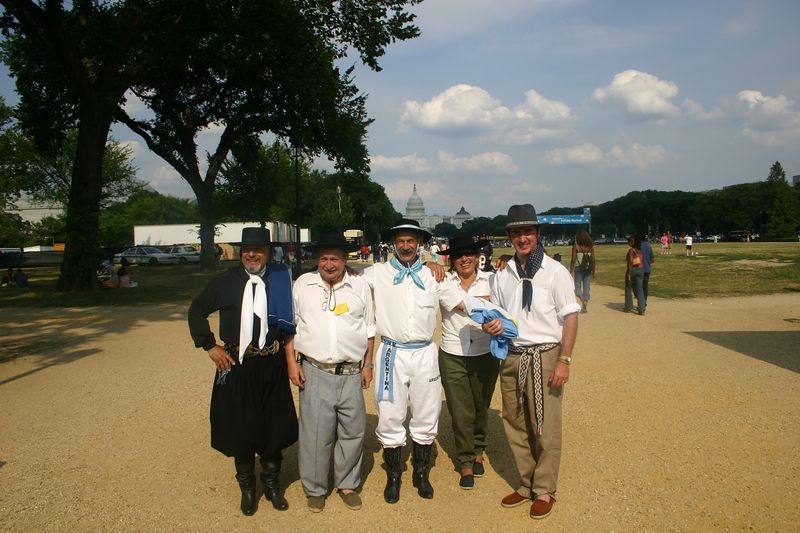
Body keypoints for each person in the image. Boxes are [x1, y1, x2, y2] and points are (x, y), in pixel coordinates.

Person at [188, 227, 297, 516]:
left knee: (273, 424)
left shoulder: (280, 278)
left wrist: (290, 361)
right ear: (241, 251)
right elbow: (196, 310)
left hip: (272, 363)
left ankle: (272, 482)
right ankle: (248, 486)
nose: (252, 254)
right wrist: (210, 346)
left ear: (268, 250)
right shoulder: (225, 281)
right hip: (238, 364)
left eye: (258, 249)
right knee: (242, 427)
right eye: (247, 249)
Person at [481, 204, 579, 520]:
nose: (523, 238)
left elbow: (571, 316)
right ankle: (527, 483)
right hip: (512, 354)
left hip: (546, 354)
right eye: (517, 232)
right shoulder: (503, 274)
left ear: (537, 234)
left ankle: (545, 489)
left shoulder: (555, 271)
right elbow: (493, 313)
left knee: (545, 425)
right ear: (509, 236)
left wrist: (564, 359)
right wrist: (489, 324)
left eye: (528, 231)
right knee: (514, 421)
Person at [361, 218, 450, 504]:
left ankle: (421, 473)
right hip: (392, 352)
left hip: (424, 351)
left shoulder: (433, 275)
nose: (406, 245)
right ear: (393, 244)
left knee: (427, 411)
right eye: (401, 241)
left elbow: (460, 297)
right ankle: (394, 475)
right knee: (389, 413)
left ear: (420, 244)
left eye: (411, 241)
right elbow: (347, 283)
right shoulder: (376, 273)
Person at [288, 234, 375, 513]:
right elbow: (290, 328)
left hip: (350, 371)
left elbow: (369, 329)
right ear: (317, 260)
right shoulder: (303, 284)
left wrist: (368, 364)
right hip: (315, 370)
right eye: (324, 258)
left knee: (352, 431)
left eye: (334, 258)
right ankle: (315, 488)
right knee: (315, 434)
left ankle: (347, 483)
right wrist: (291, 363)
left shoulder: (359, 285)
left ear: (344, 259)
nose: (329, 264)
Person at [437, 235, 499, 490]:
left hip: (485, 352)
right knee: (460, 411)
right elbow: (466, 306)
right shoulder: (444, 281)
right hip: (453, 353)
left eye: (469, 254)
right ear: (452, 259)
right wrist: (487, 302)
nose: (464, 259)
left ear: (477, 257)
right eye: (459, 255)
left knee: (481, 405)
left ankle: (478, 450)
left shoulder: (493, 279)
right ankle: (465, 460)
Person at [569, 230, 595, 313]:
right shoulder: (590, 247)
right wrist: (594, 272)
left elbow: (573, 260)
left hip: (578, 268)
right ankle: (585, 302)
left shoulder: (576, 247)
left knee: (576, 287)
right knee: (586, 287)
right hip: (588, 268)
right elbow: (593, 260)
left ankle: (583, 301)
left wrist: (571, 270)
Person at [625, 234, 646, 315]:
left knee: (628, 288)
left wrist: (629, 273)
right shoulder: (640, 250)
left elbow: (630, 261)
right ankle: (641, 309)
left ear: (633, 243)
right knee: (640, 289)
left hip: (633, 269)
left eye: (630, 241)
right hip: (641, 270)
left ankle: (628, 307)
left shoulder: (631, 250)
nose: (628, 243)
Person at [640, 235, 655, 308]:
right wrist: (647, 262)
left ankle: (641, 302)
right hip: (647, 269)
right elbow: (652, 260)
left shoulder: (638, 247)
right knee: (645, 286)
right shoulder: (649, 246)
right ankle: (644, 301)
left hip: (639, 269)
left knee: (638, 286)